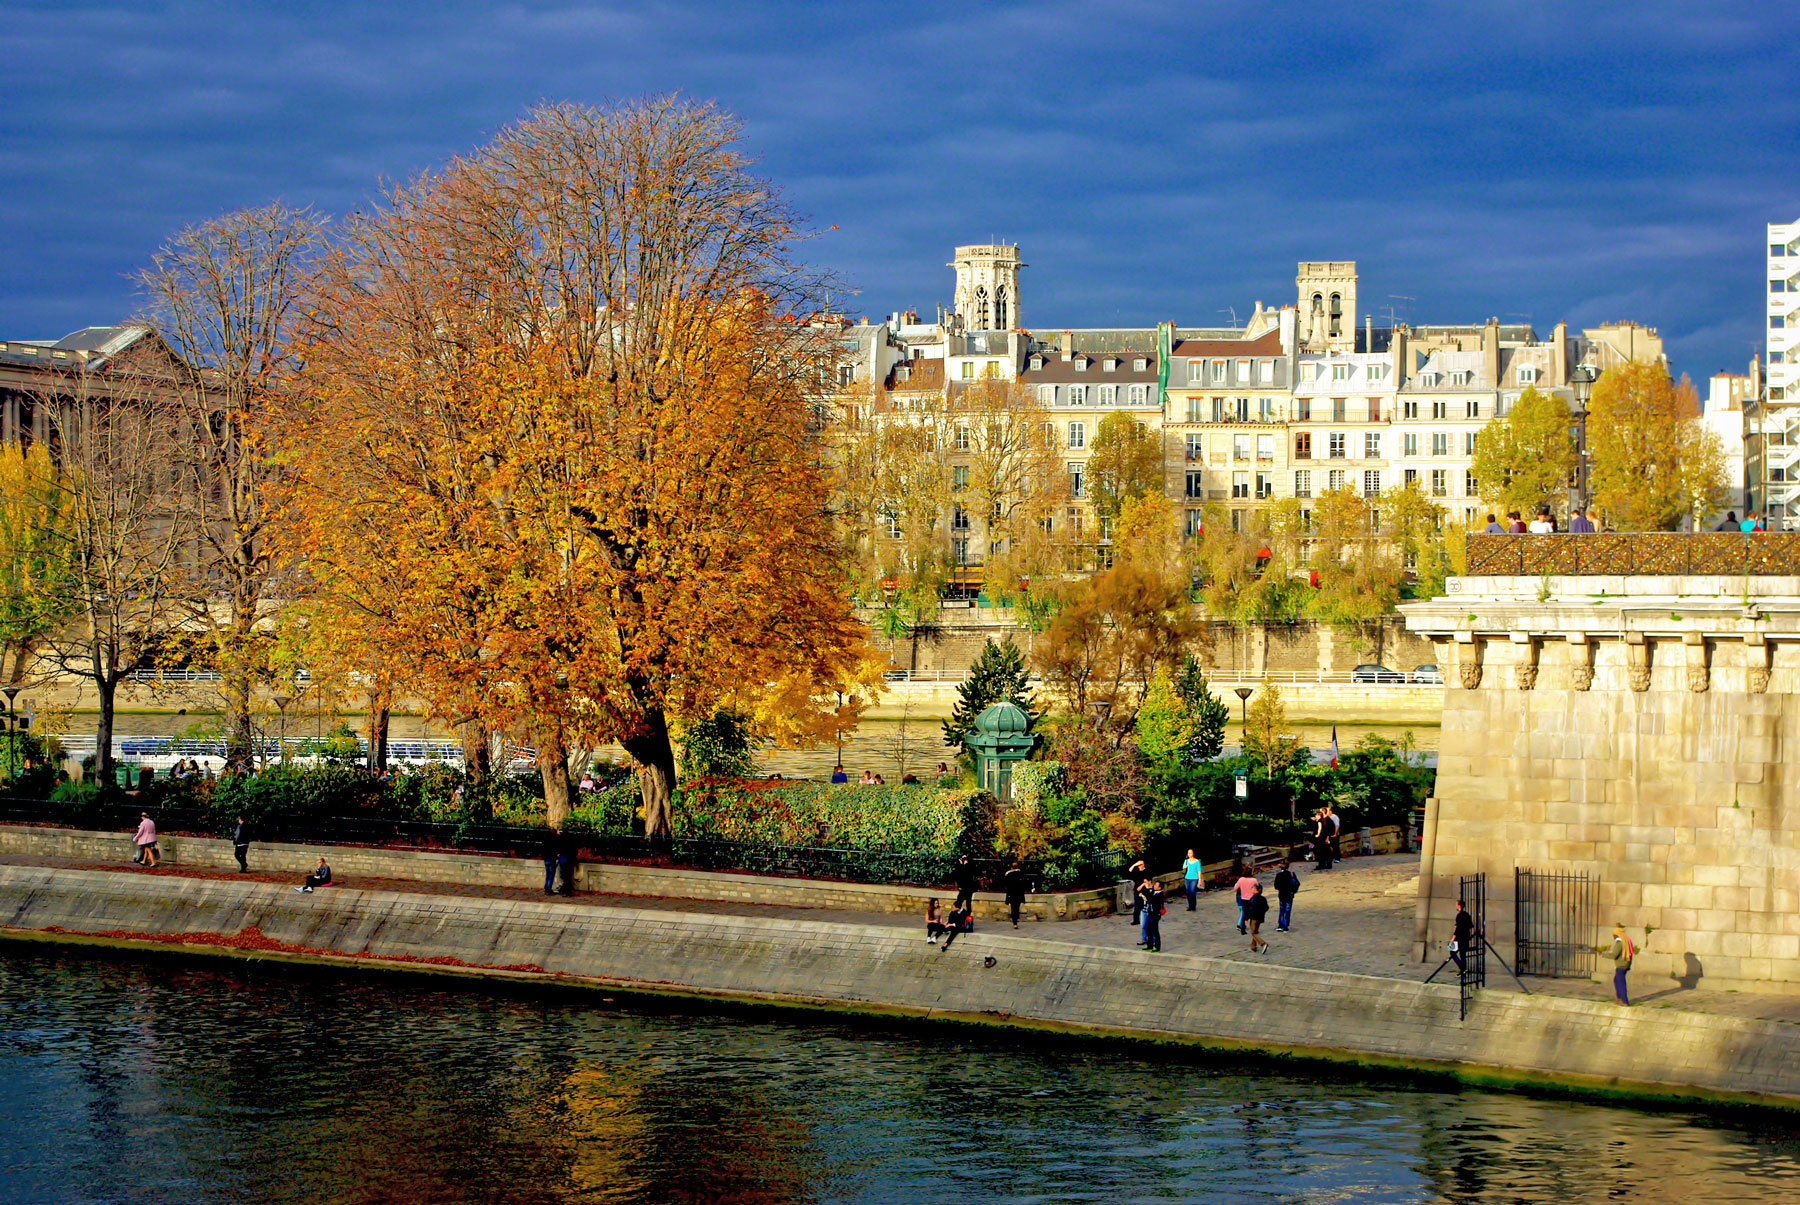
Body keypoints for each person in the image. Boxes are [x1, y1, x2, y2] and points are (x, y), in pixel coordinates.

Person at [1605, 923, 1636, 1005]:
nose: (1613, 937)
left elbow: (1614, 955)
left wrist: (1602, 954)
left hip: (1621, 965)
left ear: (1616, 935)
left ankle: (1624, 1000)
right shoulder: (1626, 941)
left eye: (1614, 935)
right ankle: (1619, 998)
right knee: (1616, 980)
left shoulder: (1620, 943)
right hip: (1625, 964)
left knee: (1620, 982)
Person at [1273, 860, 1300, 933]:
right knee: (1287, 911)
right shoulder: (1291, 874)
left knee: (1282, 910)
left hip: (1281, 895)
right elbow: (1297, 883)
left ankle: (1280, 925)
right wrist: (1293, 891)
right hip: (1289, 895)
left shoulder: (1279, 875)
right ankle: (1285, 926)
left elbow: (1276, 886)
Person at [1002, 861, 1029, 927]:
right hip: (1019, 893)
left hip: (1011, 893)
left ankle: (1014, 922)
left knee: (1013, 907)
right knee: (1017, 907)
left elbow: (1006, 885)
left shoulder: (1008, 874)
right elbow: (1024, 884)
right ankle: (1016, 919)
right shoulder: (1020, 874)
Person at [1141, 878, 1165, 953]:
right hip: (1150, 913)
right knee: (1149, 930)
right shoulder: (1153, 892)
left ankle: (1157, 947)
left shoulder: (1160, 894)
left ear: (1159, 887)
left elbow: (1151, 899)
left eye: (1156, 885)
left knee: (1155, 931)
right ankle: (1150, 945)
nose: (1154, 886)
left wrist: (1148, 892)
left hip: (1155, 914)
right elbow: (1148, 896)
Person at [1233, 866, 1259, 934]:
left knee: (1244, 913)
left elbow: (1235, 888)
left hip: (1243, 898)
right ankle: (1251, 927)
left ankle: (1243, 927)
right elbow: (1258, 886)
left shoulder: (1241, 879)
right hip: (1251, 898)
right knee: (1251, 914)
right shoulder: (1254, 880)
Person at [1450, 899, 1474, 972]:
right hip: (1466, 936)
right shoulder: (1467, 915)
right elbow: (1471, 925)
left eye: (1456, 904)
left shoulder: (1459, 915)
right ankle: (1463, 969)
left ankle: (1462, 967)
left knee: (1452, 952)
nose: (1455, 906)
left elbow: (1459, 928)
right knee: (1462, 954)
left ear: (1459, 905)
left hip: (1460, 937)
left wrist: (1453, 938)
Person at [1246, 884, 1270, 954]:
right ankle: (1253, 946)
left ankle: (1263, 943)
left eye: (1252, 888)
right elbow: (1266, 908)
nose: (1251, 889)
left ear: (1255, 890)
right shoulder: (1263, 898)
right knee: (1255, 931)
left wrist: (1246, 918)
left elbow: (1250, 909)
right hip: (1260, 917)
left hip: (1254, 917)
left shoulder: (1253, 898)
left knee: (1253, 932)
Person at [1126, 857, 1148, 926]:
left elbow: (1148, 881)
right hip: (1136, 890)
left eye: (1140, 864)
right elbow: (1130, 871)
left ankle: (1145, 919)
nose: (1139, 866)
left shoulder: (1146, 871)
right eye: (1139, 864)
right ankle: (1136, 920)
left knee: (1144, 905)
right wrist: (1135, 864)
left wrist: (1141, 886)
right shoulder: (1136, 872)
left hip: (1144, 890)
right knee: (1137, 906)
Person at [557, 829, 578, 896]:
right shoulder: (572, 841)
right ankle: (568, 891)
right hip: (570, 860)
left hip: (563, 860)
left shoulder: (561, 840)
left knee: (565, 876)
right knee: (569, 876)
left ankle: (565, 890)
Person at [541, 827, 561, 895]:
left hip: (546, 858)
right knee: (551, 875)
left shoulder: (545, 839)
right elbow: (557, 847)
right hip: (552, 859)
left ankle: (546, 888)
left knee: (547, 874)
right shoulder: (554, 840)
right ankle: (548, 889)